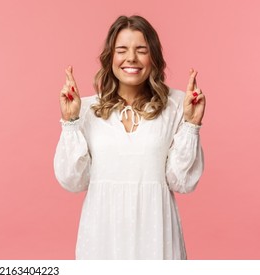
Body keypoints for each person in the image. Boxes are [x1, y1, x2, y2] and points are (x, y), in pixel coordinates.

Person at [53, 15, 205, 260]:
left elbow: (182, 182)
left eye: (141, 50)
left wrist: (191, 124)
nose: (131, 58)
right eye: (121, 50)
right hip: (102, 237)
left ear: (153, 56)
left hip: (156, 236)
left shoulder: (177, 105)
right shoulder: (86, 109)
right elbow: (73, 181)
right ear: (110, 57)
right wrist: (70, 122)